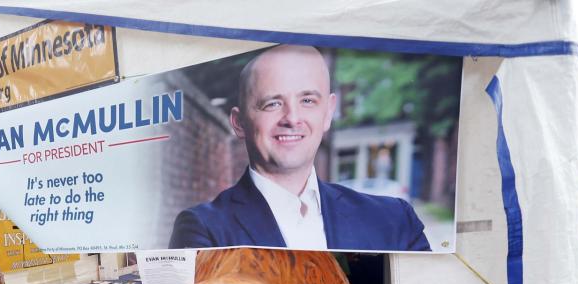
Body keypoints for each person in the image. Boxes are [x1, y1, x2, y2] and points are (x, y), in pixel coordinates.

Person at [169, 45, 431, 252]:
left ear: (328, 113)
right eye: (272, 103)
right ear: (239, 123)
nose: (292, 118)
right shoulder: (204, 230)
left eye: (307, 100)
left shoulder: (395, 221)